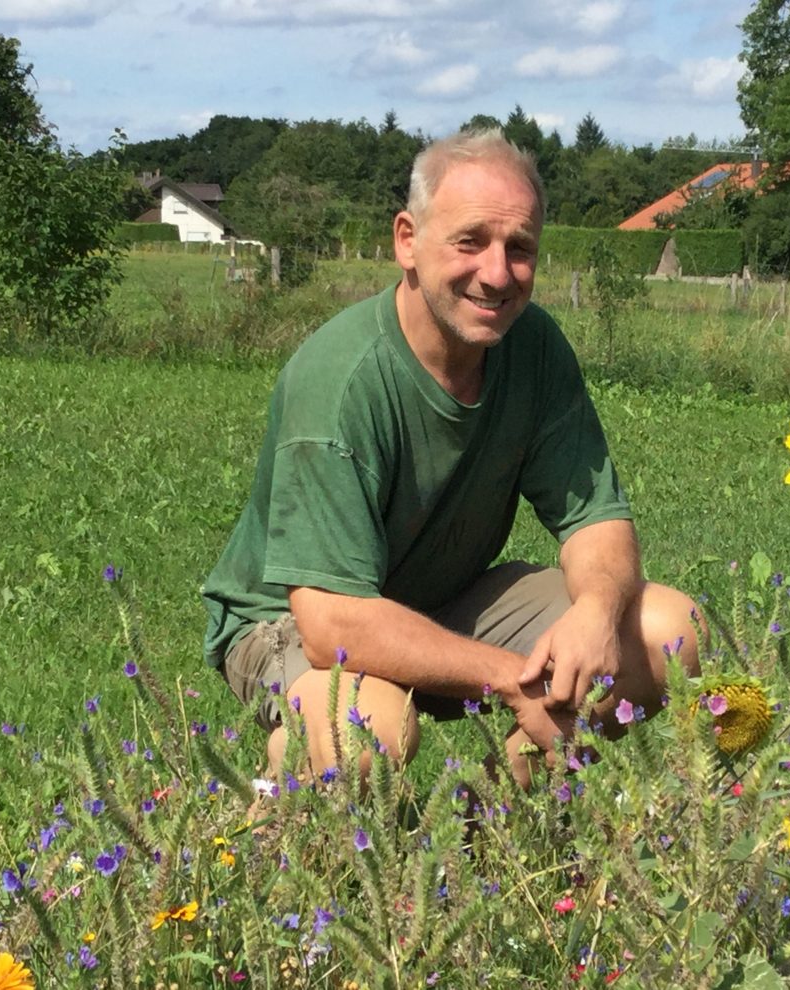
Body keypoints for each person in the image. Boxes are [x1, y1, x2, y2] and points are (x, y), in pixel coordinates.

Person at [201, 129, 701, 789]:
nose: (497, 274)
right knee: (368, 732)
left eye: (519, 248)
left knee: (669, 631)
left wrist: (596, 615)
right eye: (470, 241)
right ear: (407, 239)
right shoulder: (341, 378)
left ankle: (480, 828)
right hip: (292, 618)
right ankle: (274, 816)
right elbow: (331, 624)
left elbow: (596, 521)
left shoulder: (535, 349)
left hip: (440, 598)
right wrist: (509, 681)